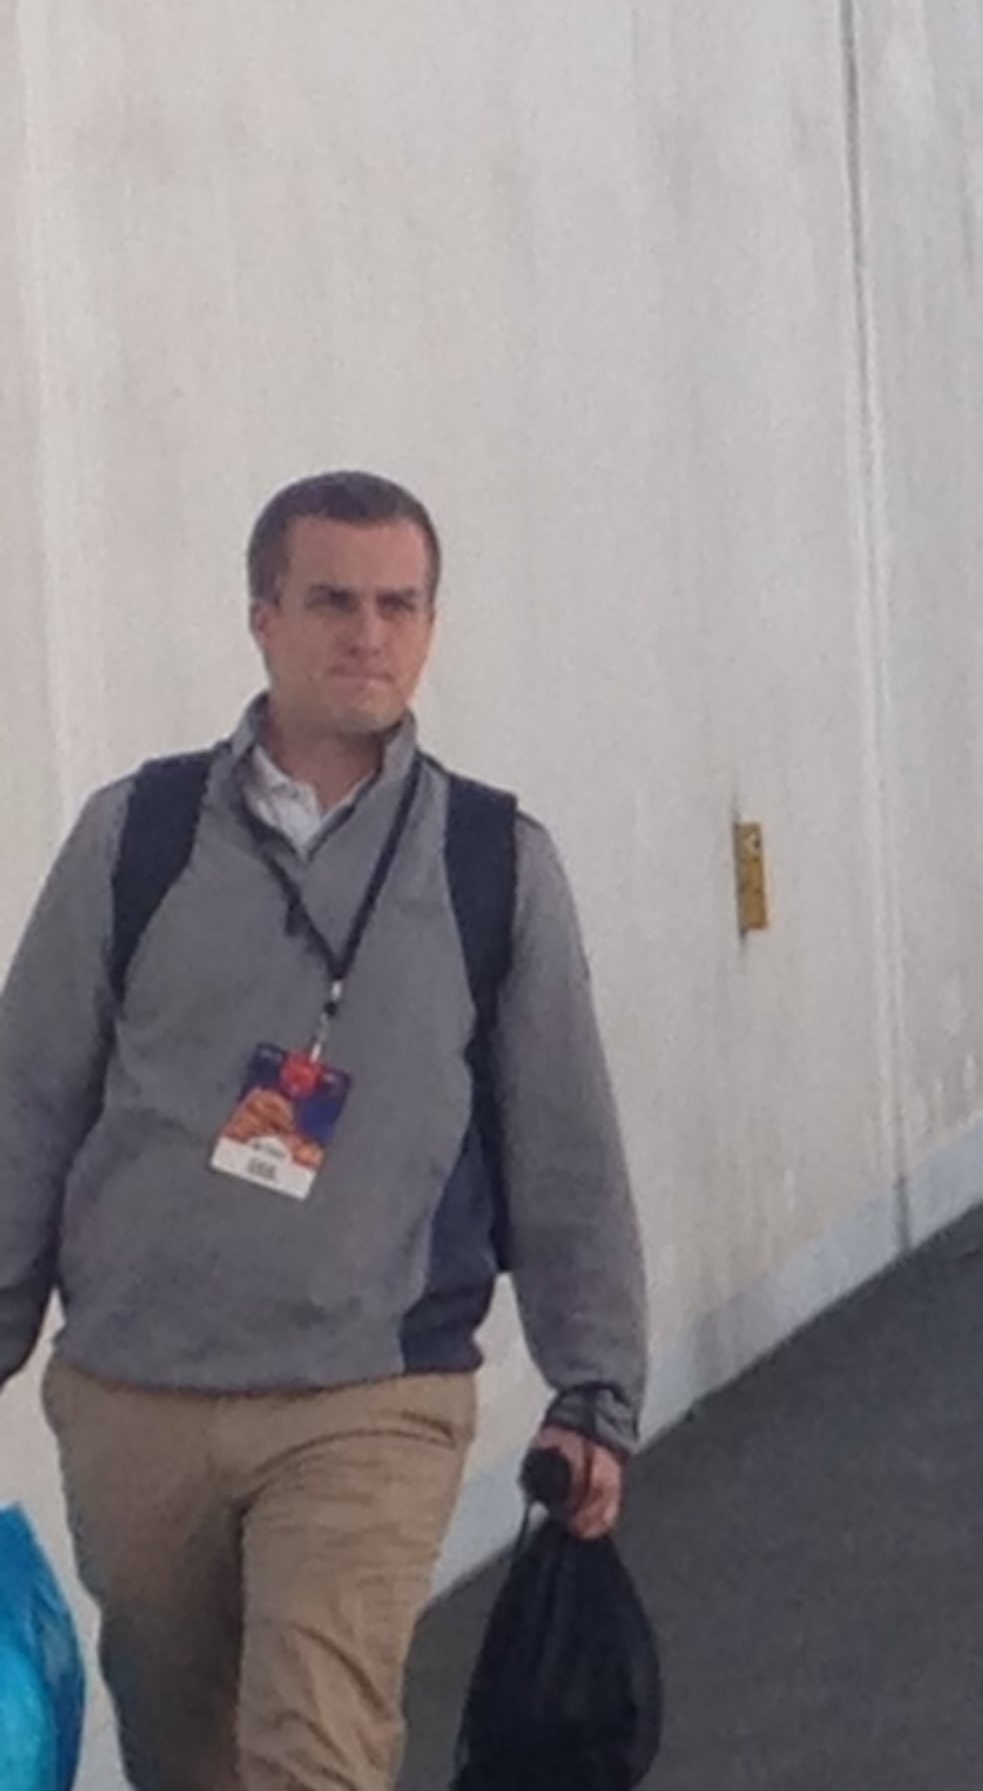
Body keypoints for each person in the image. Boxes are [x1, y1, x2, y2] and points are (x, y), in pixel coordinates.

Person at [0, 472, 648, 1788]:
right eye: (333, 600)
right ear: (263, 617)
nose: (368, 632)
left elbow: (564, 1150)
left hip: (371, 1392)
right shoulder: (139, 837)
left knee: (313, 1754)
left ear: (429, 625)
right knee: (188, 1760)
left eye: (399, 604)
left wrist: (595, 1389)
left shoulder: (491, 861)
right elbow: (28, 1103)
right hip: (141, 1398)